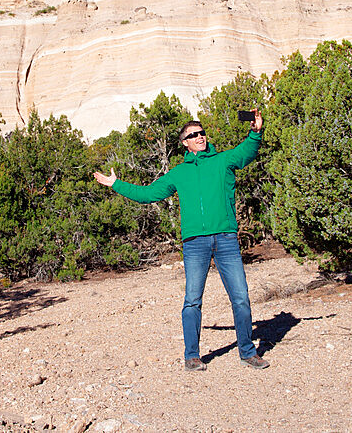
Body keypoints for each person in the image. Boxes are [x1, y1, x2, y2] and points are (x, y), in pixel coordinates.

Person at [93, 109, 269, 371]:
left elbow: (248, 151)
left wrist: (255, 132)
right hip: (195, 243)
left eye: (202, 133)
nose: (200, 137)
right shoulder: (179, 173)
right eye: (193, 135)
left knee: (241, 297)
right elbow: (148, 194)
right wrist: (117, 184)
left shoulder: (223, 161)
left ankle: (247, 351)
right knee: (192, 300)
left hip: (226, 239)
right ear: (185, 143)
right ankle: (192, 356)